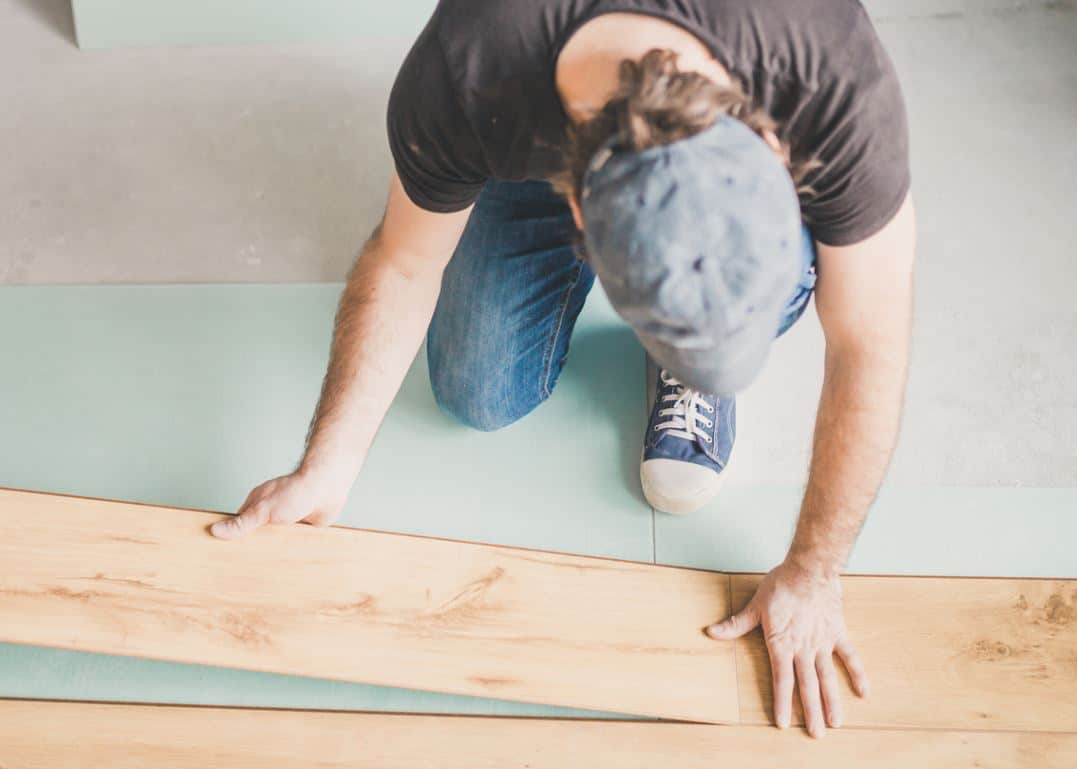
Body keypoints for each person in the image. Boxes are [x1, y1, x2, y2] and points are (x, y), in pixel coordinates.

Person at [211, 0, 916, 739]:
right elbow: (405, 260)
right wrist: (327, 465)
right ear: (577, 207)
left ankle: (689, 343)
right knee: (476, 391)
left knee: (837, 277)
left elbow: (871, 342)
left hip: (690, 126)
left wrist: (812, 570)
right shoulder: (469, 71)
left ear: (773, 147)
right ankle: (648, 286)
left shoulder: (832, 78)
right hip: (527, 132)